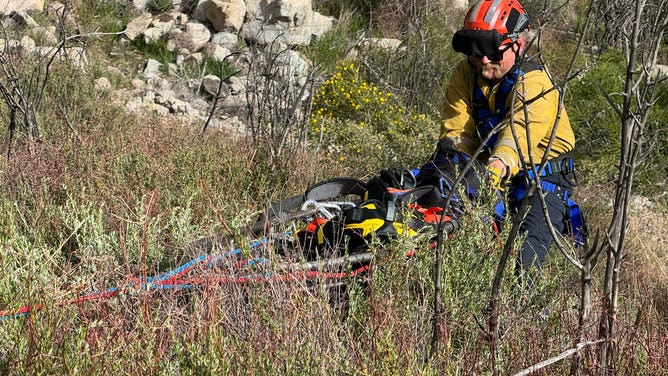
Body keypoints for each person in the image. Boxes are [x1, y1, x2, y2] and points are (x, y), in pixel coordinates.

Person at [435, 0, 579, 276]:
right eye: (476, 51)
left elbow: (514, 145)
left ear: (518, 45)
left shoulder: (536, 85)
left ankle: (524, 309)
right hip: (488, 172)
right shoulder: (466, 74)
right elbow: (457, 134)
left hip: (540, 181)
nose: (483, 60)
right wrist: (451, 172)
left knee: (521, 265)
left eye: (491, 51)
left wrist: (484, 185)